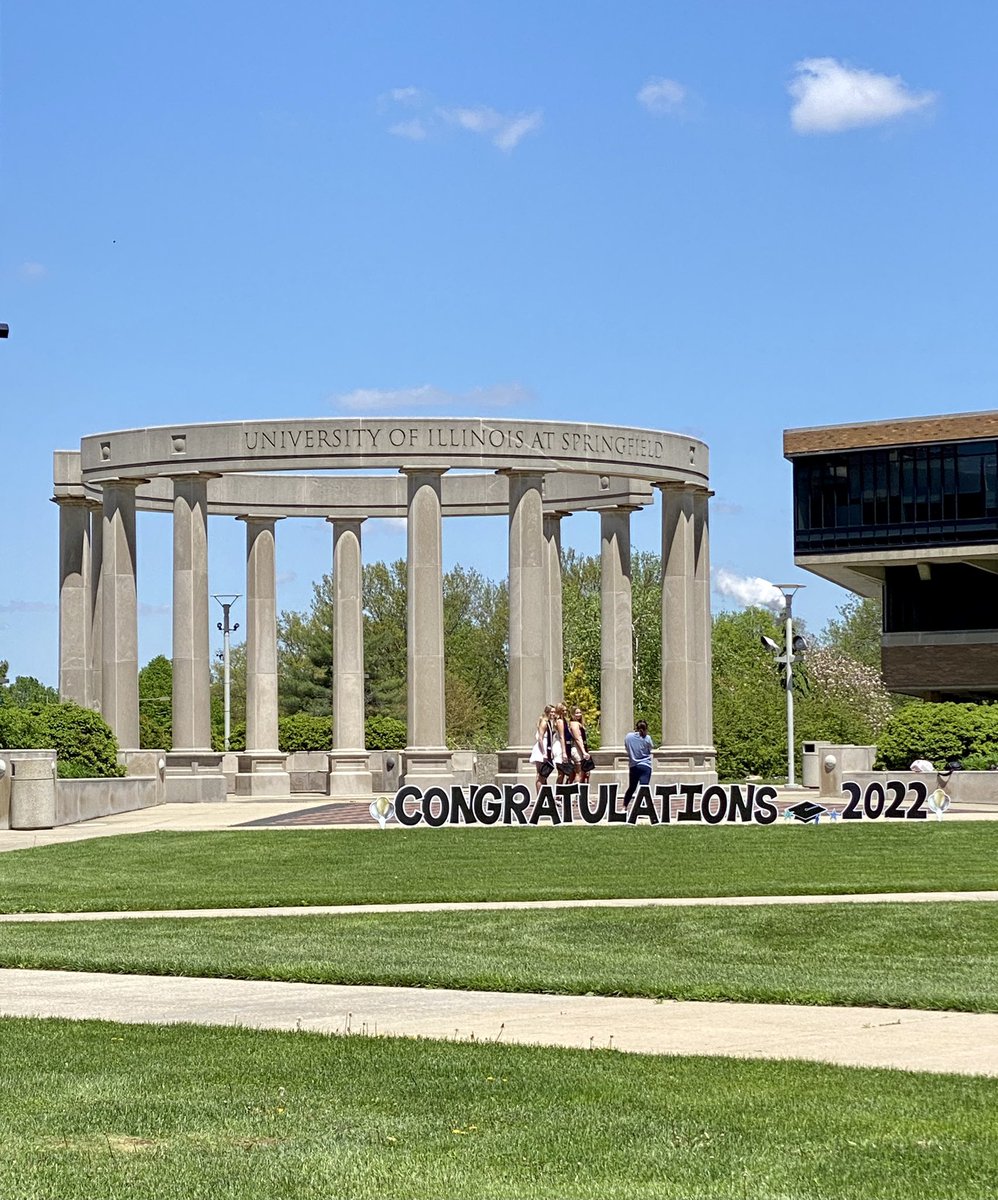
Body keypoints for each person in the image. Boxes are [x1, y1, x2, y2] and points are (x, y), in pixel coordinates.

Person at [529, 705, 558, 793]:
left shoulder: (549, 722)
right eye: (551, 712)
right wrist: (544, 752)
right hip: (541, 750)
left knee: (544, 774)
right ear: (547, 712)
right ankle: (539, 796)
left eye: (554, 712)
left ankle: (544, 794)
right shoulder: (544, 722)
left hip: (547, 748)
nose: (553, 714)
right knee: (540, 774)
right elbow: (540, 738)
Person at [623, 719, 653, 804]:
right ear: (646, 728)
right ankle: (644, 806)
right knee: (644, 788)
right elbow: (650, 749)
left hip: (633, 766)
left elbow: (626, 748)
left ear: (635, 727)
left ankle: (624, 806)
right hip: (645, 765)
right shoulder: (647, 738)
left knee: (632, 787)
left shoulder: (628, 736)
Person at [570, 707, 592, 784]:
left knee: (583, 773)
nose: (579, 714)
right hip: (577, 750)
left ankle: (579, 789)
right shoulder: (574, 724)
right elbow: (577, 738)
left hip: (581, 749)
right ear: (572, 714)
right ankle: (575, 790)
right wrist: (584, 752)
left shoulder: (579, 723)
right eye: (576, 713)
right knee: (579, 773)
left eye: (580, 712)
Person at [553, 702, 573, 785]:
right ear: (559, 711)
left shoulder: (564, 720)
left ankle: (563, 789)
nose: (565, 712)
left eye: (566, 710)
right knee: (561, 773)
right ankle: (558, 790)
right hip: (560, 747)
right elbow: (562, 737)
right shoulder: (560, 721)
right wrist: (564, 752)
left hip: (565, 746)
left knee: (567, 772)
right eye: (563, 710)